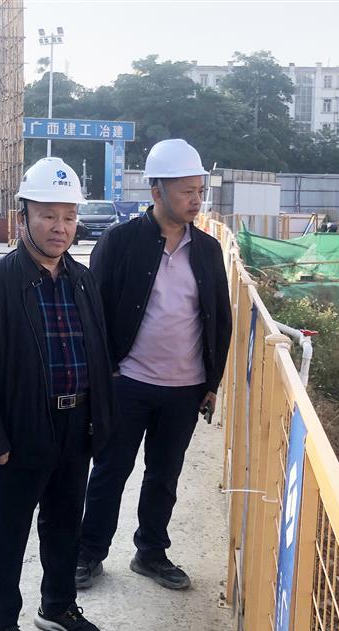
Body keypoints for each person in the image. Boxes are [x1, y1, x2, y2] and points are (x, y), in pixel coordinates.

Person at [0, 157, 114, 631]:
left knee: (65, 523)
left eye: (69, 217)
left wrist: (100, 423)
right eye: (48, 215)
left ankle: (58, 606)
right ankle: (2, 624)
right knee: (7, 532)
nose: (60, 227)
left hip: (76, 424)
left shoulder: (83, 281)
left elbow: (99, 354)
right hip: (21, 428)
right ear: (23, 214)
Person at [75, 139, 232, 592]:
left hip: (185, 388)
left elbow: (220, 318)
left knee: (164, 474)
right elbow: (93, 311)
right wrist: (105, 372)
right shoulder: (120, 242)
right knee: (110, 470)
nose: (196, 200)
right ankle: (88, 553)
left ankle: (151, 552)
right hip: (129, 382)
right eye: (186, 191)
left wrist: (212, 382)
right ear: (157, 191)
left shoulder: (207, 249)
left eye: (199, 191)